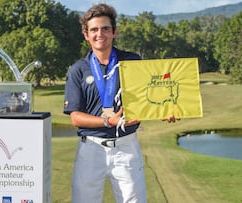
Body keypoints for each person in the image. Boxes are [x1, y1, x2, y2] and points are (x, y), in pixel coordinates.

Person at [63, 3, 177, 203]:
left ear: (114, 32)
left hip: (126, 146)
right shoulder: (78, 70)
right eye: (94, 29)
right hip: (91, 148)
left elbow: (152, 97)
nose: (100, 34)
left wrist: (166, 110)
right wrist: (108, 121)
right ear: (86, 35)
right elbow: (75, 117)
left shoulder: (132, 62)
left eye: (106, 28)